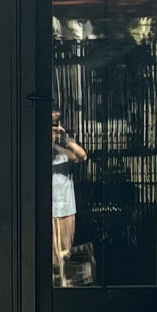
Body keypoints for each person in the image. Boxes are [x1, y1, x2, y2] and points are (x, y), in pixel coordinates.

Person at [50, 110, 88, 284]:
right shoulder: (39, 145)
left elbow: (82, 156)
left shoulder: (65, 145)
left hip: (66, 207)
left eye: (57, 124)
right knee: (51, 255)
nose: (55, 128)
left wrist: (64, 141)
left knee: (66, 252)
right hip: (48, 208)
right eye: (52, 125)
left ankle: (64, 284)